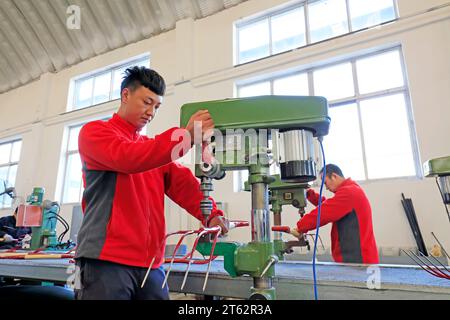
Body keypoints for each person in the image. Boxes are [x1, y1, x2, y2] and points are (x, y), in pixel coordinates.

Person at [75, 66, 229, 300]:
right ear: (125, 95)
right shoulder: (95, 133)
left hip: (151, 265)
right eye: (147, 102)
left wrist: (211, 214)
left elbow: (183, 184)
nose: (151, 112)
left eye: (157, 106)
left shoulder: (153, 150)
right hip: (106, 261)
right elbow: (128, 158)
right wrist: (184, 137)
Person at [295, 164, 379, 264]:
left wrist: (300, 227)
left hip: (358, 262)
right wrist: (309, 194)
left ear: (334, 176)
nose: (326, 188)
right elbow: (328, 205)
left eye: (325, 183)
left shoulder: (349, 192)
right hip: (357, 260)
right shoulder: (351, 190)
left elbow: (324, 212)